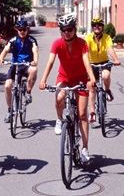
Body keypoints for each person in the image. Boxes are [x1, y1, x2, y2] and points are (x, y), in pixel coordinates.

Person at [39, 14, 95, 163]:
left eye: (69, 29)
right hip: (64, 78)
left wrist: (92, 79)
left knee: (82, 114)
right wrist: (43, 79)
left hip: (81, 79)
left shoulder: (82, 43)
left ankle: (85, 148)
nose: (66, 32)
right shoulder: (57, 44)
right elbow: (50, 62)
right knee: (59, 98)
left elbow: (87, 63)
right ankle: (59, 119)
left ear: (74, 29)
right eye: (63, 30)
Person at [0, 20, 39, 123]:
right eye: (20, 30)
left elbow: (35, 50)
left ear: (27, 30)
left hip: (27, 65)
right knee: (7, 86)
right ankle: (9, 111)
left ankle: (28, 92)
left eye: (24, 29)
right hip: (15, 65)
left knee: (34, 70)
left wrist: (35, 60)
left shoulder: (31, 40)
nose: (22, 32)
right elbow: (6, 49)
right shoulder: (13, 40)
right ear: (17, 30)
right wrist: (1, 58)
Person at [85, 17, 121, 122]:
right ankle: (92, 112)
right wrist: (85, 63)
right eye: (94, 25)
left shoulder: (107, 37)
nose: (97, 27)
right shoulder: (88, 38)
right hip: (91, 64)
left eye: (99, 25)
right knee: (92, 87)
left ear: (102, 27)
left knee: (106, 75)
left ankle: (107, 90)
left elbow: (110, 49)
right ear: (92, 27)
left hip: (104, 62)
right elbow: (85, 52)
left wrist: (116, 59)